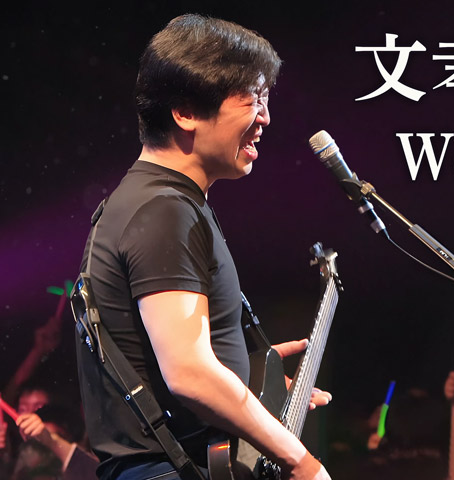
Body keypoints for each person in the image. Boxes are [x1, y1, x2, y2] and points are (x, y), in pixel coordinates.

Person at [75, 14, 330, 480]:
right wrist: (301, 461)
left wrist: (252, 385)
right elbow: (190, 375)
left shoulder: (157, 203)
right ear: (186, 112)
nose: (265, 117)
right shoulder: (163, 210)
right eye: (252, 98)